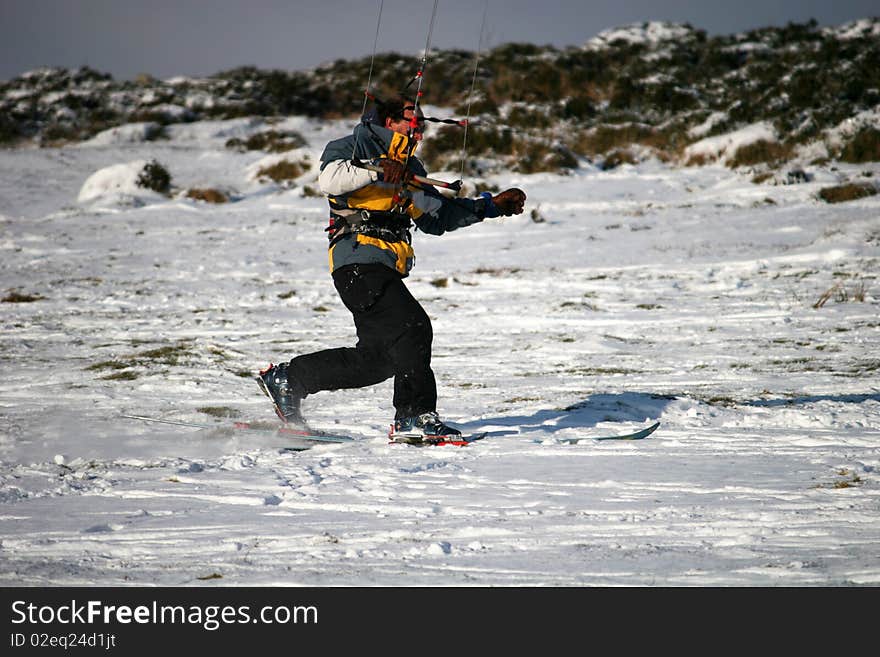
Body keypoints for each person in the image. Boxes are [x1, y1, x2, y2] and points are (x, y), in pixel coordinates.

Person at [257, 95, 526, 439]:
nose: (419, 132)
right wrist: (379, 168)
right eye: (412, 124)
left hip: (381, 267)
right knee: (414, 328)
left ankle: (288, 379)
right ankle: (414, 416)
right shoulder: (351, 147)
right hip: (357, 262)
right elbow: (330, 181)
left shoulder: (412, 170)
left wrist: (491, 206)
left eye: (422, 127)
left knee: (380, 360)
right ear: (389, 122)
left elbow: (438, 218)